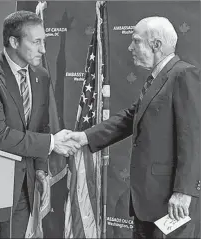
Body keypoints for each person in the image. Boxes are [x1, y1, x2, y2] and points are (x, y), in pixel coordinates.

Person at [65, 16, 200, 238]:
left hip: (171, 202)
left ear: (156, 45)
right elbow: (130, 117)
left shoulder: (183, 75)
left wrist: (183, 192)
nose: (130, 47)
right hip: (146, 201)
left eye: (135, 41)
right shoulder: (158, 78)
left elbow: (194, 139)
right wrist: (85, 137)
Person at [0, 11, 79, 238]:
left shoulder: (41, 75)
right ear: (14, 42)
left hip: (24, 185)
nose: (43, 49)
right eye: (36, 42)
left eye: (44, 41)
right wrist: (52, 143)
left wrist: (41, 168)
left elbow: (40, 126)